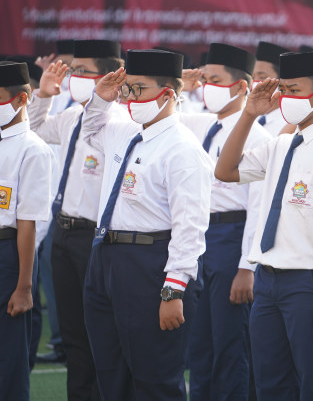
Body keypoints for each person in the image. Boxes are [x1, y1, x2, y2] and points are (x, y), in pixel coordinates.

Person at [215, 50, 313, 400]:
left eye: (295, 90)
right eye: (285, 90)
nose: (287, 99)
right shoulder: (280, 144)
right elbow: (225, 171)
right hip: (268, 280)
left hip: (308, 283)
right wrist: (249, 114)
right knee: (271, 383)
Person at [82, 49, 213, 401]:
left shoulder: (183, 148)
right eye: (127, 89)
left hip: (150, 263)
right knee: (112, 373)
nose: (128, 98)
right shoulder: (124, 131)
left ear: (169, 93)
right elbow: (90, 130)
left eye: (137, 89)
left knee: (156, 379)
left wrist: (174, 289)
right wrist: (101, 97)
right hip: (106, 258)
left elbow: (191, 224)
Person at [27, 39, 127, 400]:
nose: (75, 77)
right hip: (63, 233)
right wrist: (44, 95)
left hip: (95, 240)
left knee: (98, 332)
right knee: (72, 336)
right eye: (75, 70)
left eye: (84, 71)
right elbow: (33, 131)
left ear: (110, 77)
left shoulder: (119, 124)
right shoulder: (72, 117)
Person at [180, 42, 271, 401]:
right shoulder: (204, 126)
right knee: (199, 344)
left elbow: (259, 207)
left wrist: (246, 267)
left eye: (215, 80)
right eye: (205, 79)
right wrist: (183, 87)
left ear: (241, 87)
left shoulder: (258, 136)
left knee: (230, 345)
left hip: (232, 238)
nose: (207, 87)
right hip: (201, 237)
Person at [0, 61, 53, 401]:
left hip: (8, 256)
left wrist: (24, 287)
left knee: (9, 359)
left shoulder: (32, 149)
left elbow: (27, 226)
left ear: (21, 100)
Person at [252, 41, 290, 137]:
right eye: (253, 78)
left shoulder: (289, 123)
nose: (256, 83)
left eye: (262, 77)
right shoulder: (248, 118)